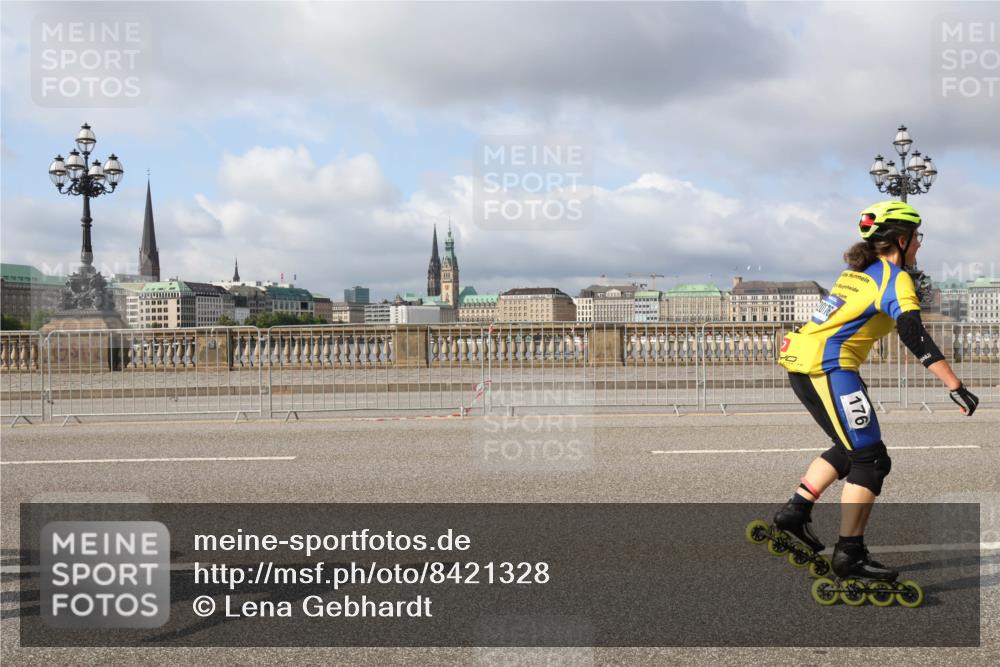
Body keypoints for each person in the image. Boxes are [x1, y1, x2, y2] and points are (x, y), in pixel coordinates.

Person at [775, 200, 979, 582]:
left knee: (851, 447)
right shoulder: (894, 279)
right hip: (829, 368)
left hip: (805, 362)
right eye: (916, 237)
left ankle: (795, 511)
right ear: (901, 239)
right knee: (871, 460)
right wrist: (955, 385)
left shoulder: (857, 271)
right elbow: (913, 333)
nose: (919, 244)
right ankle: (849, 554)